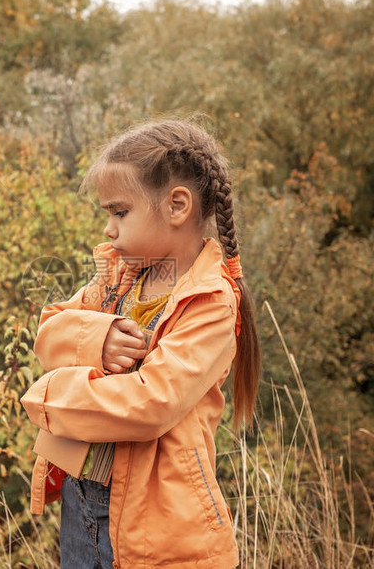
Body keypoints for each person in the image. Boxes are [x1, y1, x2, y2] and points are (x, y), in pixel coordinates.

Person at [20, 119, 262, 569]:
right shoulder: (121, 276)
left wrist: (49, 396)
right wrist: (100, 336)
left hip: (159, 525)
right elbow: (51, 328)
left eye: (119, 212)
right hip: (83, 500)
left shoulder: (210, 301)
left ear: (177, 206)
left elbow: (151, 403)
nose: (109, 230)